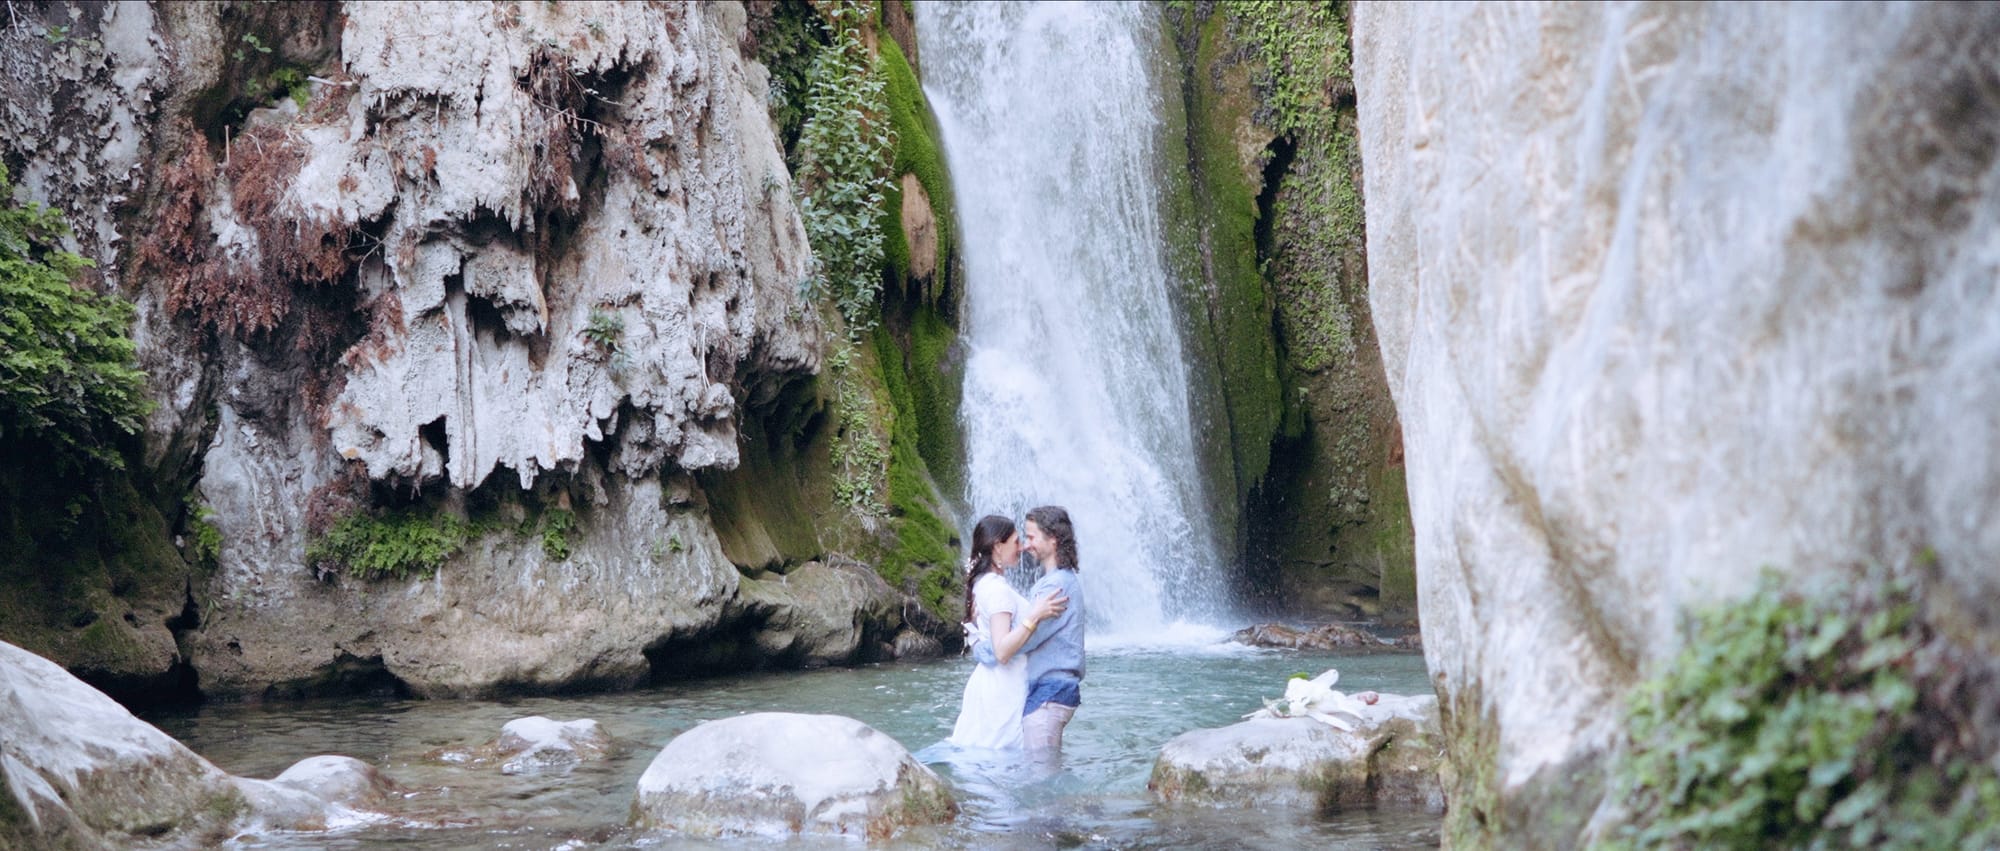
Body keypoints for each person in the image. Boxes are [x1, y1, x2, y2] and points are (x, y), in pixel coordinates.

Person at [948, 515, 1067, 750]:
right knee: (1005, 757)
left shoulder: (982, 583)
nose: (1021, 547)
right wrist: (1036, 615)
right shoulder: (996, 591)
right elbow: (1002, 651)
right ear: (997, 546)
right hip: (1005, 686)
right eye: (1015, 541)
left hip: (991, 682)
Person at [1016, 505, 1085, 758]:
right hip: (1054, 690)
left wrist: (988, 646)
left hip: (1049, 692)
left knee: (1041, 781)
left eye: (1032, 537)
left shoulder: (1055, 586)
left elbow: (1025, 640)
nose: (1026, 545)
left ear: (1053, 539)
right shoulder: (1061, 580)